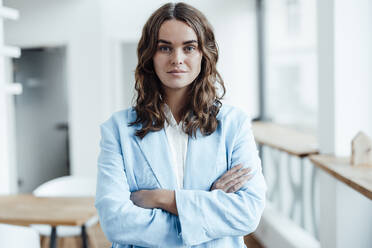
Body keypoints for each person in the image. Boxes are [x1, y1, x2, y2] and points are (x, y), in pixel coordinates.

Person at [95, 2, 266, 248]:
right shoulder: (117, 129)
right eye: (165, 47)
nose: (177, 59)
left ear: (203, 54)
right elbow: (116, 222)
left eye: (189, 47)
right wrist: (206, 208)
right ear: (150, 56)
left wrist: (163, 199)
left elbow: (248, 213)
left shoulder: (234, 124)